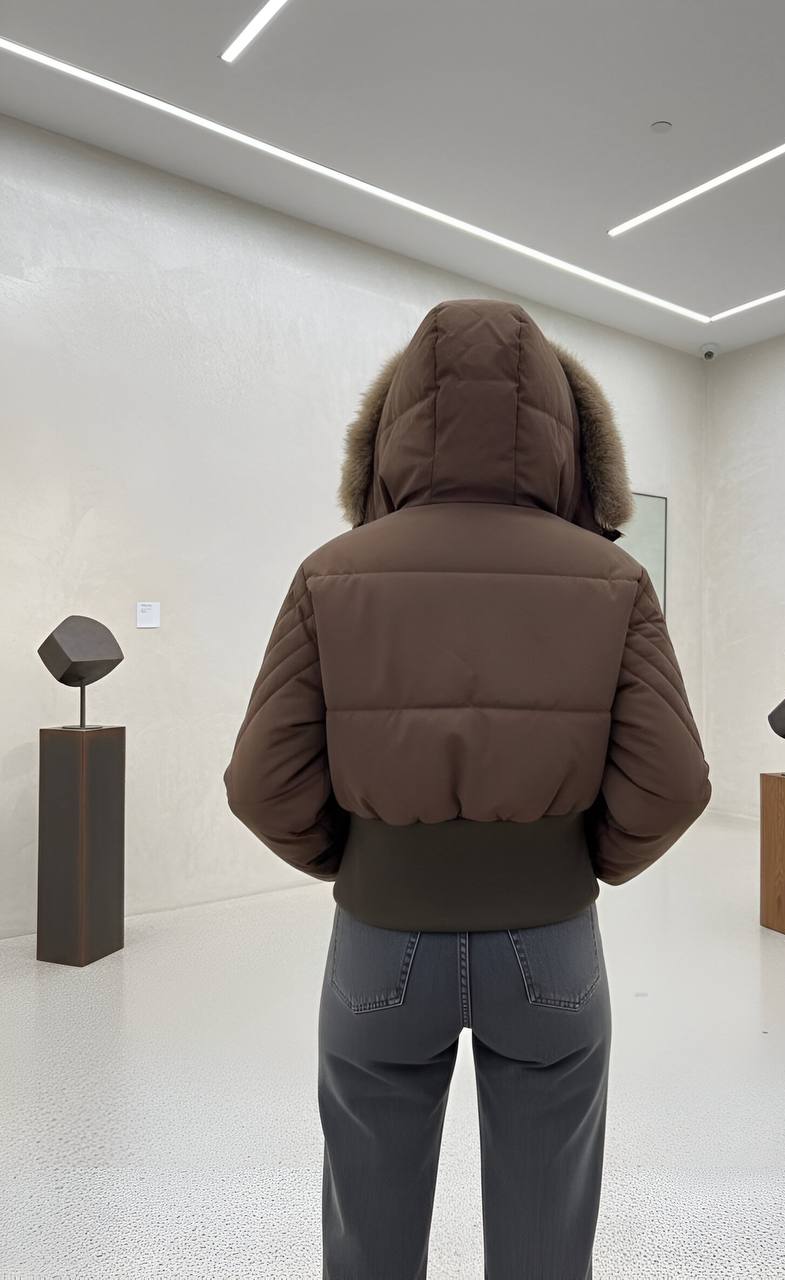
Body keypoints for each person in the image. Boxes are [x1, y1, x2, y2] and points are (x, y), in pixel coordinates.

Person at [224, 298, 711, 1279]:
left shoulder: (331, 573)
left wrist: (367, 859)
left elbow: (261, 783)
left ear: (392, 425)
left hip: (380, 938)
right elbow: (671, 783)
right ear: (568, 433)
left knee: (367, 1222)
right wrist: (572, 860)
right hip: (550, 941)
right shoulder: (612, 578)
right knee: (546, 1232)